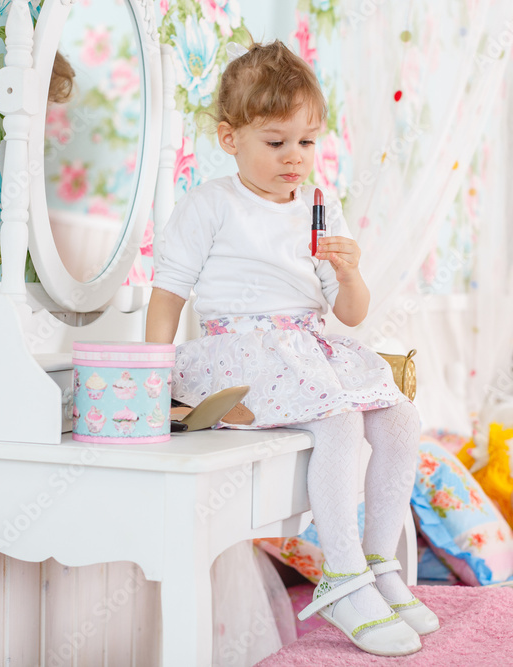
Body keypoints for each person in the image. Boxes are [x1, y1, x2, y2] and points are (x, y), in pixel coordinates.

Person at [145, 40, 438, 656]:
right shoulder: (212, 205)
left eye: (306, 142)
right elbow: (169, 292)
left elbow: (350, 314)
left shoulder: (319, 207)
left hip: (305, 346)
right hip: (240, 353)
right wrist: (152, 375)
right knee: (338, 421)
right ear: (230, 139)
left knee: (401, 416)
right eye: (275, 142)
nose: (293, 157)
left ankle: (380, 564)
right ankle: (343, 573)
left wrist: (352, 271)